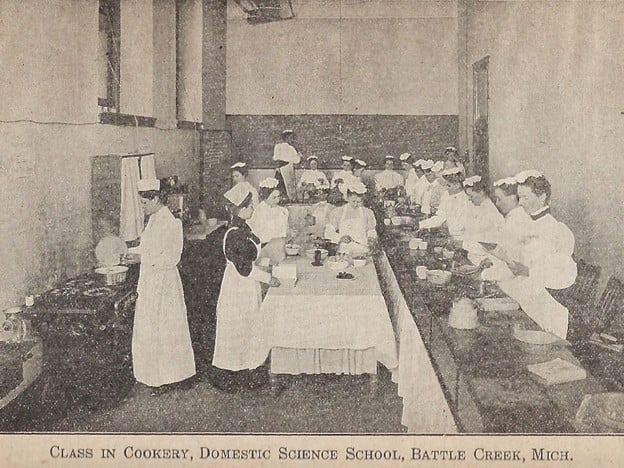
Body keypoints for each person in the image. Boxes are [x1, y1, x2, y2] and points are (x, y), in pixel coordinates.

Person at [491, 170, 577, 339]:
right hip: (527, 300)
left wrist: (529, 272)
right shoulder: (526, 224)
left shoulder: (557, 230)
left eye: (525, 198)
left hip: (547, 307)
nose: (520, 203)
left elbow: (565, 277)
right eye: (519, 197)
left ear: (542, 197)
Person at [212, 183, 281, 391]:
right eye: (250, 206)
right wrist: (269, 279)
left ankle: (247, 370)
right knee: (237, 329)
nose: (253, 209)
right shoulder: (235, 233)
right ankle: (233, 376)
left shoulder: (244, 227)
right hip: (237, 287)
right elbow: (244, 268)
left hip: (246, 286)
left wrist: (267, 263)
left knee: (248, 327)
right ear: (241, 209)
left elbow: (252, 257)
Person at [132, 178, 195, 396]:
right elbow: (148, 246)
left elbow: (172, 257)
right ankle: (154, 376)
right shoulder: (153, 220)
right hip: (150, 282)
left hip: (164, 283)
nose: (142, 207)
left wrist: (146, 260)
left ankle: (170, 377)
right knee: (150, 329)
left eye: (144, 203)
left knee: (167, 330)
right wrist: (130, 252)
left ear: (156, 198)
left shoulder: (171, 223)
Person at [480, 176, 533, 281]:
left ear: (513, 198)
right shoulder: (513, 217)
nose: (497, 203)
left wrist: (483, 275)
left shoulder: (517, 220)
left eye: (499, 199)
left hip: (518, 278)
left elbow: (513, 262)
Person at [324, 180, 377, 256]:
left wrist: (371, 240)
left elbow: (371, 230)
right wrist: (340, 238)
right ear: (347, 198)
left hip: (363, 250)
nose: (356, 204)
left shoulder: (367, 213)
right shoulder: (338, 212)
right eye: (353, 201)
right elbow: (328, 232)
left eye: (359, 202)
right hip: (344, 251)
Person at [461, 175, 504, 264]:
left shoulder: (491, 212)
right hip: (474, 256)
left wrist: (462, 244)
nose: (469, 199)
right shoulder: (479, 207)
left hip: (485, 260)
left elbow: (486, 243)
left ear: (481, 193)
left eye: (471, 195)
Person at [418, 166, 470, 240]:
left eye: (448, 186)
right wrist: (420, 224)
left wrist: (444, 225)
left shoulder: (466, 200)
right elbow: (440, 217)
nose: (446, 188)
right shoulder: (446, 195)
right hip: (447, 236)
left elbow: (460, 226)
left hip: (461, 239)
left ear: (457, 185)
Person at [247, 177, 290, 265]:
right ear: (265, 197)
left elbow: (284, 230)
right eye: (274, 197)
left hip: (279, 249)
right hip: (265, 251)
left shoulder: (282, 211)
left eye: (278, 196)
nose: (277, 200)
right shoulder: (259, 211)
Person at [273, 129, 301, 202]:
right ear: (286, 138)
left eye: (292, 138)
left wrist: (297, 154)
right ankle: (284, 199)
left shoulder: (291, 148)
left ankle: (290, 199)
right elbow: (276, 158)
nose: (291, 140)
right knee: (281, 184)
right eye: (290, 138)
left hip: (289, 168)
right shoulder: (279, 146)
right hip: (282, 168)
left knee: (290, 185)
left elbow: (297, 160)